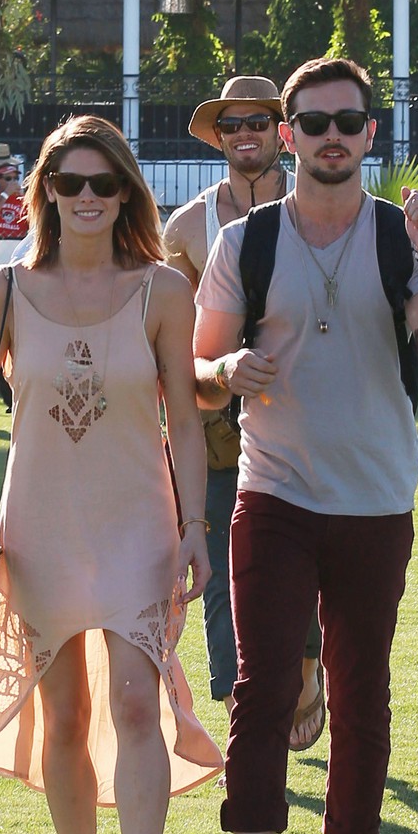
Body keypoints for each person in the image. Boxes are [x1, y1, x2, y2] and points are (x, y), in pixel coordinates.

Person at [0, 115, 222, 834]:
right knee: (64, 717)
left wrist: (195, 527)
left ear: (125, 190)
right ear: (45, 192)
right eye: (69, 183)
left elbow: (186, 421)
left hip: (138, 520)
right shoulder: (3, 292)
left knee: (135, 699)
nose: (86, 197)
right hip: (40, 521)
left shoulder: (164, 290)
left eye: (103, 183)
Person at [194, 56, 418, 834]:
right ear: (286, 137)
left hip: (375, 499)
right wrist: (226, 370)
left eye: (345, 123)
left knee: (360, 691)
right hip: (272, 489)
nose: (329, 137)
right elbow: (195, 376)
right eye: (310, 123)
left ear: (368, 134)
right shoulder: (248, 244)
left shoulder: (406, 238)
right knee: (262, 685)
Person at [163, 76, 325, 751]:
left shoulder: (321, 213)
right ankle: (239, 710)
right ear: (219, 138)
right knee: (219, 573)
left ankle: (308, 670)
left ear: (281, 132)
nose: (244, 133)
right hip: (214, 428)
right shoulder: (185, 227)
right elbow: (169, 341)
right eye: (230, 125)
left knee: (309, 565)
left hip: (304, 422)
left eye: (258, 120)